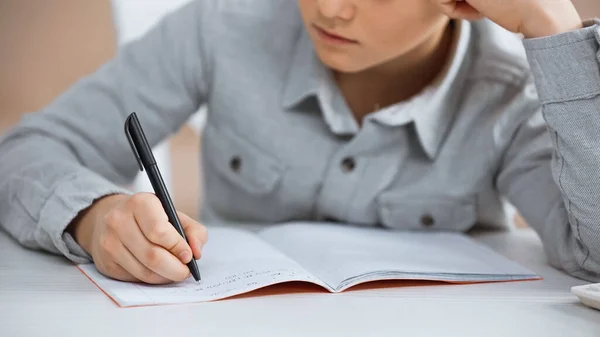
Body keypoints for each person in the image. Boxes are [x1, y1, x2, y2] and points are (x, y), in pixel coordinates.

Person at [0, 0, 599, 285]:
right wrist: (93, 215)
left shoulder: (516, 89)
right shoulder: (221, 26)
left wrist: (552, 25)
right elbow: (27, 150)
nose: (330, 9)